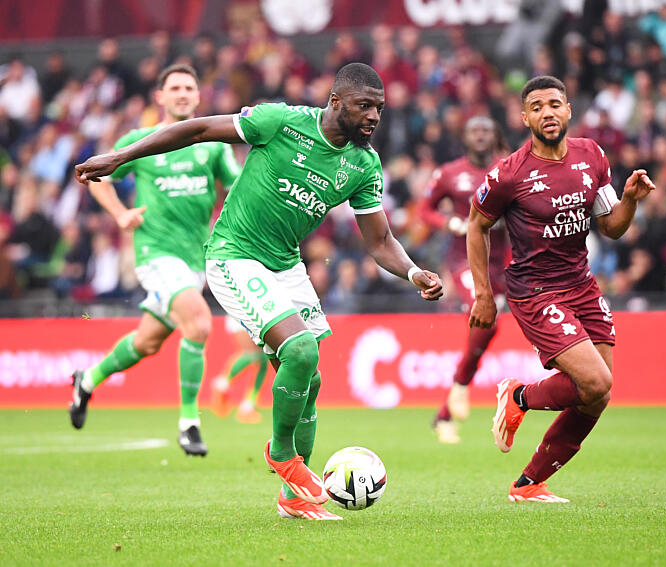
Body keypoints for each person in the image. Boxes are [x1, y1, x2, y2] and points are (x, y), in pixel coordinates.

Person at [74, 62, 443, 521]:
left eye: (379, 109)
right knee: (302, 351)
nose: (373, 117)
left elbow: (380, 241)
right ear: (336, 103)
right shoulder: (281, 121)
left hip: (285, 265)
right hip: (233, 255)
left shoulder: (364, 165)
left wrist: (413, 273)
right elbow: (198, 130)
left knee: (310, 381)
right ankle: (282, 456)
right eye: (363, 106)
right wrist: (121, 158)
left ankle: (293, 499)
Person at [467, 76, 656, 503]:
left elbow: (611, 228)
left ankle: (528, 484)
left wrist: (630, 200)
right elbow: (476, 226)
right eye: (537, 107)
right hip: (535, 291)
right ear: (524, 117)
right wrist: (483, 293)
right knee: (593, 382)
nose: (547, 113)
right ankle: (518, 395)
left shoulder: (592, 155)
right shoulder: (508, 174)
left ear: (568, 109)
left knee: (597, 396)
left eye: (554, 104)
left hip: (581, 284)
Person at [69, 64, 241, 457]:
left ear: (199, 97)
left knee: (147, 342)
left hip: (195, 260)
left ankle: (87, 379)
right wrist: (118, 214)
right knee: (198, 323)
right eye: (174, 88)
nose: (182, 93)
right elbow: (95, 175)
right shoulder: (141, 141)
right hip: (155, 255)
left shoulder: (212, 145)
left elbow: (236, 185)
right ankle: (189, 423)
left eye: (189, 88)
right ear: (160, 97)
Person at [420, 115, 509, 444]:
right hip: (465, 261)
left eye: (487, 129)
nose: (481, 135)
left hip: (504, 262)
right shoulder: (450, 173)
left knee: (483, 335)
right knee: (487, 319)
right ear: (465, 137)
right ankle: (458, 390)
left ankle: (444, 413)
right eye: (475, 130)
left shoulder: (508, 169)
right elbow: (424, 209)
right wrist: (451, 223)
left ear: (494, 135)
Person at [210, 315, 271, 423]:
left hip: (260, 314)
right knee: (253, 355)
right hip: (242, 312)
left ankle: (248, 405)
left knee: (263, 359)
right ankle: (223, 383)